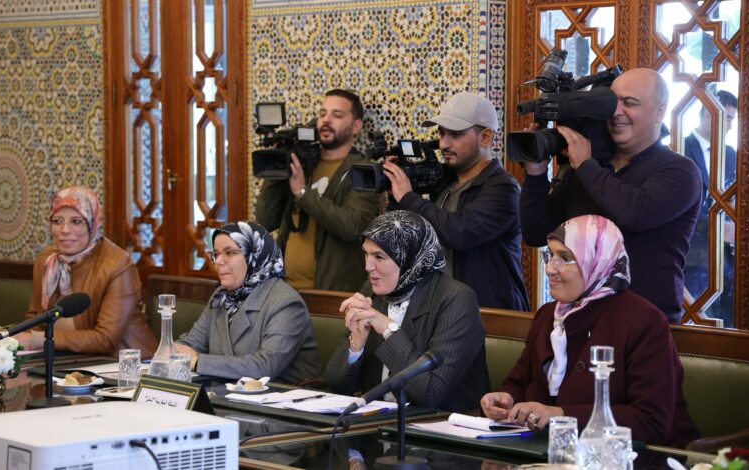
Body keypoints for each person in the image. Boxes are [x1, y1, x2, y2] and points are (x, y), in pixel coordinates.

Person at [480, 215, 699, 447]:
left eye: (565, 258)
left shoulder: (644, 321)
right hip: (550, 453)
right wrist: (506, 399)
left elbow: (651, 421)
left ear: (597, 260)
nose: (550, 268)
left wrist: (560, 415)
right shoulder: (547, 315)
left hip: (636, 458)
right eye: (550, 255)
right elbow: (519, 382)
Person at [520, 67, 702, 323]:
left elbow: (635, 214)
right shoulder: (587, 170)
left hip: (646, 327)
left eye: (630, 103)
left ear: (660, 111)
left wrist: (586, 166)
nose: (616, 112)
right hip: (581, 322)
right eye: (611, 103)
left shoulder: (679, 171)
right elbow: (535, 232)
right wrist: (536, 174)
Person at [324, 210, 489, 412]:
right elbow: (337, 385)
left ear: (410, 257)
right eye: (366, 254)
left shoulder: (456, 298)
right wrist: (356, 342)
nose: (368, 266)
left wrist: (389, 330)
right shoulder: (372, 291)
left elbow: (430, 393)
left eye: (379, 257)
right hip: (376, 421)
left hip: (439, 425)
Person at [383, 92, 529, 310]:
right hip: (442, 310)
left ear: (485, 137)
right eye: (442, 133)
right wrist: (395, 193)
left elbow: (459, 232)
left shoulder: (503, 189)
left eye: (456, 134)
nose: (444, 144)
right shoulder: (446, 183)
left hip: (489, 315)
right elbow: (405, 239)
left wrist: (407, 197)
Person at [255, 89, 378, 292]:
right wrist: (277, 164)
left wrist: (303, 193)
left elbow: (352, 225)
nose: (326, 120)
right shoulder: (302, 162)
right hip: (283, 289)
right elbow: (266, 220)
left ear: (356, 126)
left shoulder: (363, 170)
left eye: (337, 115)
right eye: (322, 114)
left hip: (329, 293)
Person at [17, 186, 157, 357]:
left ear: (92, 224)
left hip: (123, 363)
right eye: (57, 221)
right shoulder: (47, 260)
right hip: (66, 359)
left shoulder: (118, 265)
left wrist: (38, 339)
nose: (65, 230)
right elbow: (35, 319)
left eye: (76, 221)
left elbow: (105, 339)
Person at [175, 221, 319, 383]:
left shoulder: (286, 303)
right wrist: (171, 350)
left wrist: (197, 361)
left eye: (229, 253)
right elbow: (191, 344)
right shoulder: (221, 297)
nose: (218, 261)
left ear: (255, 254)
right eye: (216, 254)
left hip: (281, 395)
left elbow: (265, 366)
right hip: (227, 392)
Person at [683, 89, 738, 325]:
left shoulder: (731, 154)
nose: (731, 126)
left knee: (727, 327)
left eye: (733, 120)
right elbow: (680, 207)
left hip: (728, 262)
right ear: (709, 114)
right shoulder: (679, 148)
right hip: (694, 259)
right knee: (697, 329)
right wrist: (717, 228)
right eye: (728, 118)